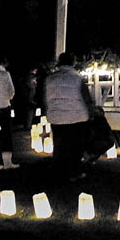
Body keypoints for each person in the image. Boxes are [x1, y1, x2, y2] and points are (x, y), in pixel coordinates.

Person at [44, 52, 93, 181]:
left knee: (59, 146)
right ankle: (74, 172)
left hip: (56, 116)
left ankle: (58, 171)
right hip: (76, 116)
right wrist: (92, 112)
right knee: (75, 147)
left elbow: (44, 98)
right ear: (73, 62)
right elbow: (86, 98)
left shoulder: (50, 78)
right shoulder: (78, 78)